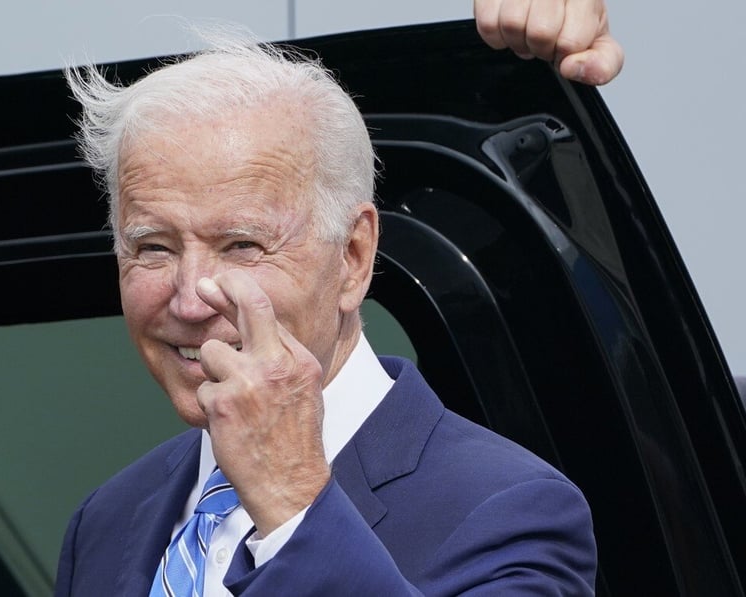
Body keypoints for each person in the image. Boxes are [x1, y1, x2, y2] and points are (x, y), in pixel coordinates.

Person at [55, 1, 623, 595]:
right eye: (153, 248)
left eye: (243, 245)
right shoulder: (107, 521)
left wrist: (291, 501)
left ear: (353, 258)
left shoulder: (511, 510)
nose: (192, 302)